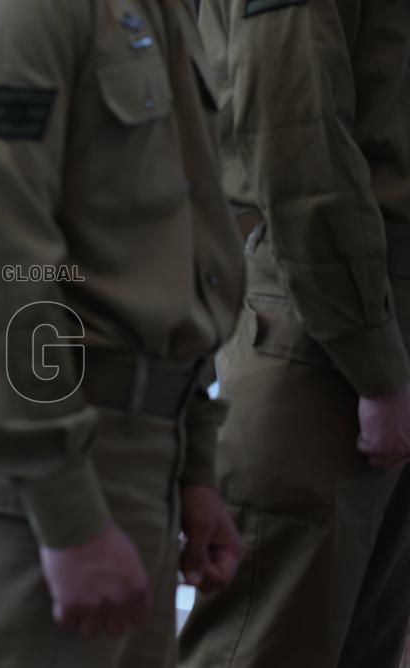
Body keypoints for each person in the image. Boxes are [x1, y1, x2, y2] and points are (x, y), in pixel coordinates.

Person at [0, 1, 246, 667]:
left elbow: (173, 251)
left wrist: (192, 463)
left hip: (134, 457)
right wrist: (69, 516)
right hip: (29, 469)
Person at [179, 2, 410, 667]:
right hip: (322, 329)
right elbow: (295, 136)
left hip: (360, 322)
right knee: (266, 641)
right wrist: (375, 360)